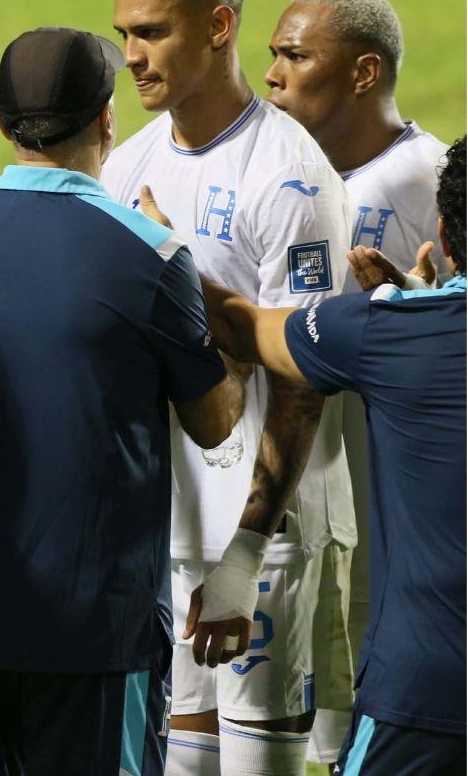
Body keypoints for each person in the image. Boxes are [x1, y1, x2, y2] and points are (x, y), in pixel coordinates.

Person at [0, 26, 249, 775]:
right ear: (106, 119)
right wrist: (212, 310)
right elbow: (215, 419)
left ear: (1, 121)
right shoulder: (149, 253)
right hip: (95, 628)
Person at [101, 0, 353, 775]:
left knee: (253, 770)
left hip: (263, 527)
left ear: (217, 25)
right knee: (178, 765)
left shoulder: (290, 179)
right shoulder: (126, 166)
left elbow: (305, 375)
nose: (131, 56)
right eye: (124, 33)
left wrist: (247, 552)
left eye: (152, 32)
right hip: (165, 526)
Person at [139, 134, 467, 775]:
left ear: (445, 233)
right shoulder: (401, 329)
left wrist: (166, 251)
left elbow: (244, 327)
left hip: (427, 687)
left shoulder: (390, 331)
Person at [263, 0, 450, 766]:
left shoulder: (421, 181)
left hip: (390, 529)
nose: (271, 73)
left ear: (364, 74)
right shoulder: (297, 174)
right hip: (327, 509)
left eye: (297, 56)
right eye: (273, 54)